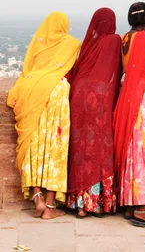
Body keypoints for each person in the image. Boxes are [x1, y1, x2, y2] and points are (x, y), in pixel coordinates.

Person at [7, 12, 81, 219]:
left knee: (34, 146)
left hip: (33, 91)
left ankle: (37, 198)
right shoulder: (72, 44)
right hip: (57, 92)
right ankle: (50, 205)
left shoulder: (38, 43)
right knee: (55, 149)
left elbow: (28, 68)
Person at [113, 2, 145, 229]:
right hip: (142, 93)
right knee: (144, 150)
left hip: (126, 92)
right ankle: (142, 209)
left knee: (130, 149)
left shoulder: (124, 38)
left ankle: (129, 203)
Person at [67, 8, 121, 218]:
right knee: (100, 147)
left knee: (80, 148)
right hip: (99, 98)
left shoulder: (89, 43)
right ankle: (97, 203)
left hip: (79, 95)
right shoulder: (114, 40)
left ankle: (79, 204)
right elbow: (116, 71)